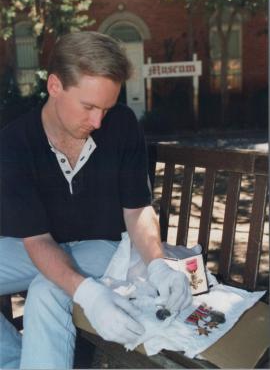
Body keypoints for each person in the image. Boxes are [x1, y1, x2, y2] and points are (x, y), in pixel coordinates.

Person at [0, 31, 191, 369]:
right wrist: (90, 296)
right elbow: (37, 240)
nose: (98, 121)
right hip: (40, 244)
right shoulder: (14, 142)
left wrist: (159, 264)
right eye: (88, 107)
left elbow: (137, 210)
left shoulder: (121, 125)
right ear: (55, 86)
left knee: (48, 290)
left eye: (106, 108)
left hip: (102, 246)